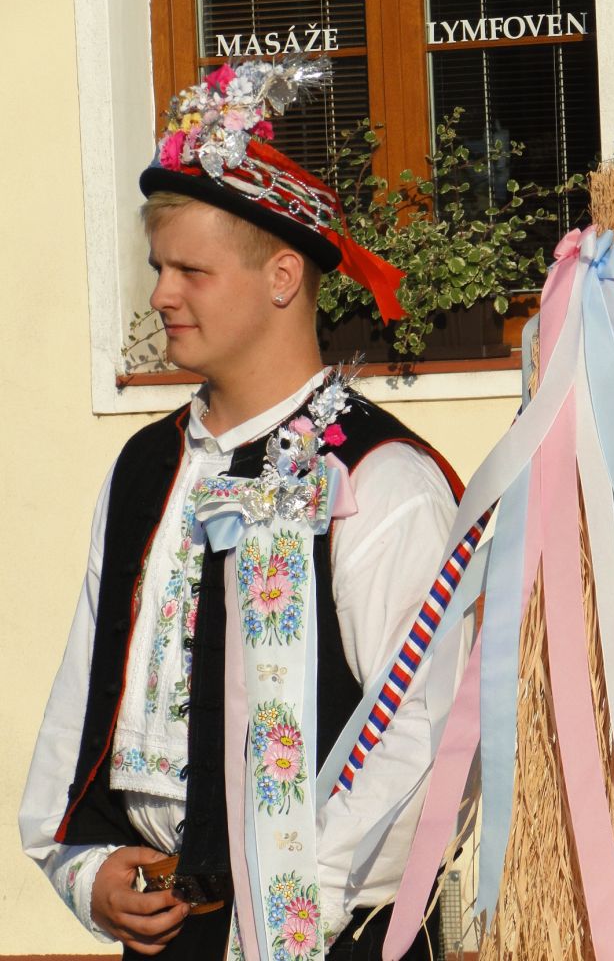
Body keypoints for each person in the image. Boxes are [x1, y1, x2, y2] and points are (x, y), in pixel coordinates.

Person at [20, 59, 464, 960]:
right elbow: (86, 685)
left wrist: (292, 897)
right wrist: (83, 865)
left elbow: (430, 735)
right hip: (168, 933)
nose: (161, 294)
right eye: (158, 267)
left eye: (192, 270)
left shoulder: (378, 477)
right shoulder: (146, 468)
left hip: (327, 937)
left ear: (282, 276)